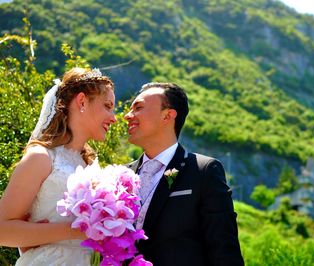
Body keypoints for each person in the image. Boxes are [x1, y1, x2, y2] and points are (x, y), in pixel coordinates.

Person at [0, 67, 117, 265]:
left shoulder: (90, 166)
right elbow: (3, 232)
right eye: (107, 105)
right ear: (82, 101)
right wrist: (77, 231)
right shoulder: (41, 158)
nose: (113, 117)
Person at [124, 82, 244, 266]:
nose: (127, 116)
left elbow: (224, 250)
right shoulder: (121, 175)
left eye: (138, 107)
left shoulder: (203, 171)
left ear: (168, 116)